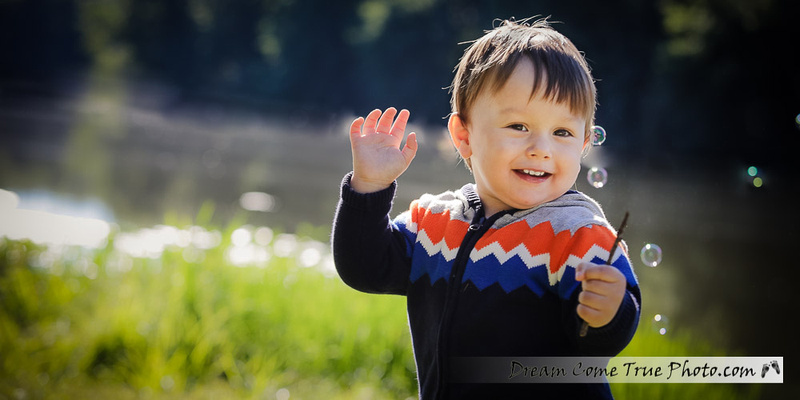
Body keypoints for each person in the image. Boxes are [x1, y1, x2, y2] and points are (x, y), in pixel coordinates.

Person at [332, 17, 640, 399]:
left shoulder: (579, 234)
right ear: (464, 136)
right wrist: (370, 188)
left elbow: (595, 346)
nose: (541, 148)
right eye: (518, 126)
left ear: (583, 144)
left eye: (562, 132)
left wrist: (608, 312)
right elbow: (365, 269)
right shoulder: (434, 223)